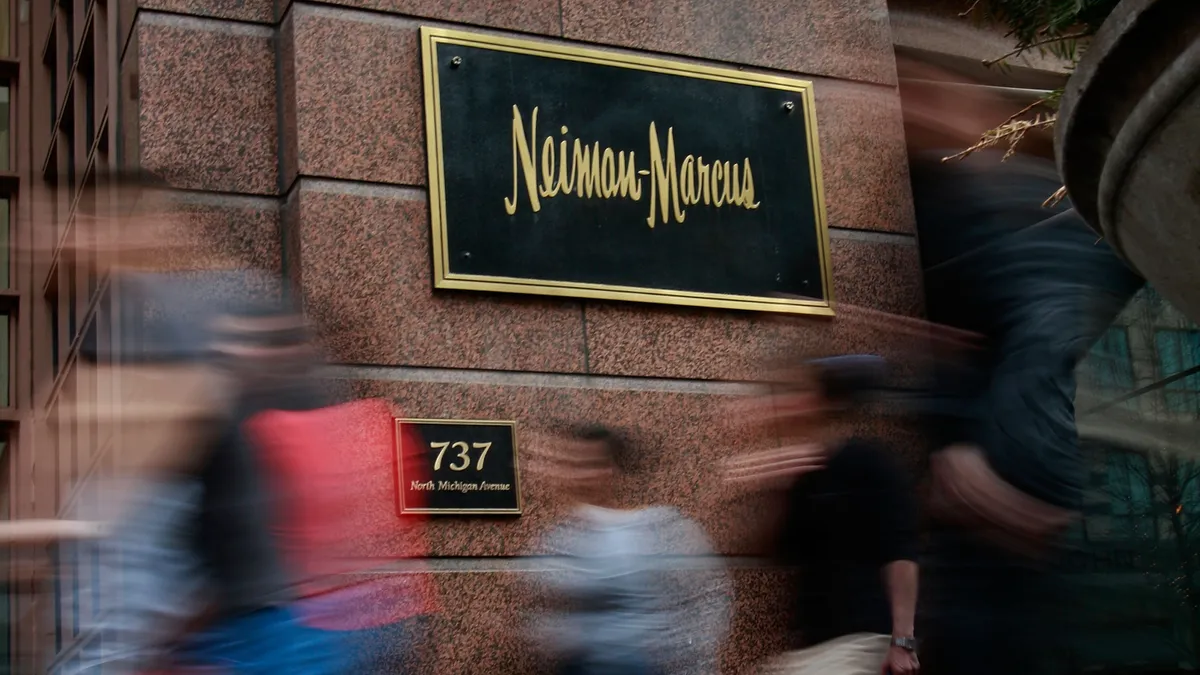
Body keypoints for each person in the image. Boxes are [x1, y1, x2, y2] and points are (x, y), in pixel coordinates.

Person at [726, 355, 920, 675]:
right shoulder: (801, 477)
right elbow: (775, 549)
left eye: (794, 392)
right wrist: (776, 489)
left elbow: (900, 555)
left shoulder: (868, 461)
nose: (784, 403)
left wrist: (903, 641)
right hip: (812, 648)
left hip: (861, 642)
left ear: (820, 401)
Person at [534, 425, 731, 675]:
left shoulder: (663, 528)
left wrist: (688, 655)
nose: (577, 474)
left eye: (588, 464)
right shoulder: (561, 537)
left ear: (611, 470)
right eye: (571, 464)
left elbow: (711, 595)